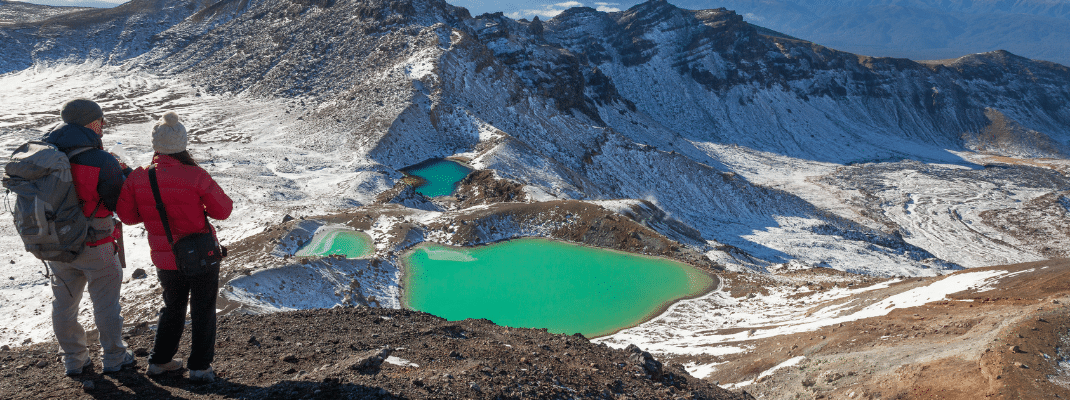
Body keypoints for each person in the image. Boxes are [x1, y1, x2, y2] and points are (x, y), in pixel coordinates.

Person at [116, 111, 233, 382]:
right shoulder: (195, 175)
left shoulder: (138, 177)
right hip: (201, 255)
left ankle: (160, 361)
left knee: (172, 306)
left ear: (156, 145)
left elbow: (129, 217)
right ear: (182, 143)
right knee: (203, 308)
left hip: (165, 257)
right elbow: (223, 210)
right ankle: (200, 368)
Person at [42, 98, 135, 376]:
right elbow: (120, 204)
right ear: (89, 123)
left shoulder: (46, 155)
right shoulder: (101, 160)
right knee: (106, 303)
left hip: (56, 244)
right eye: (100, 120)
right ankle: (115, 357)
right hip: (96, 243)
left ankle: (74, 359)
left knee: (64, 304)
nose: (103, 125)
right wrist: (125, 173)